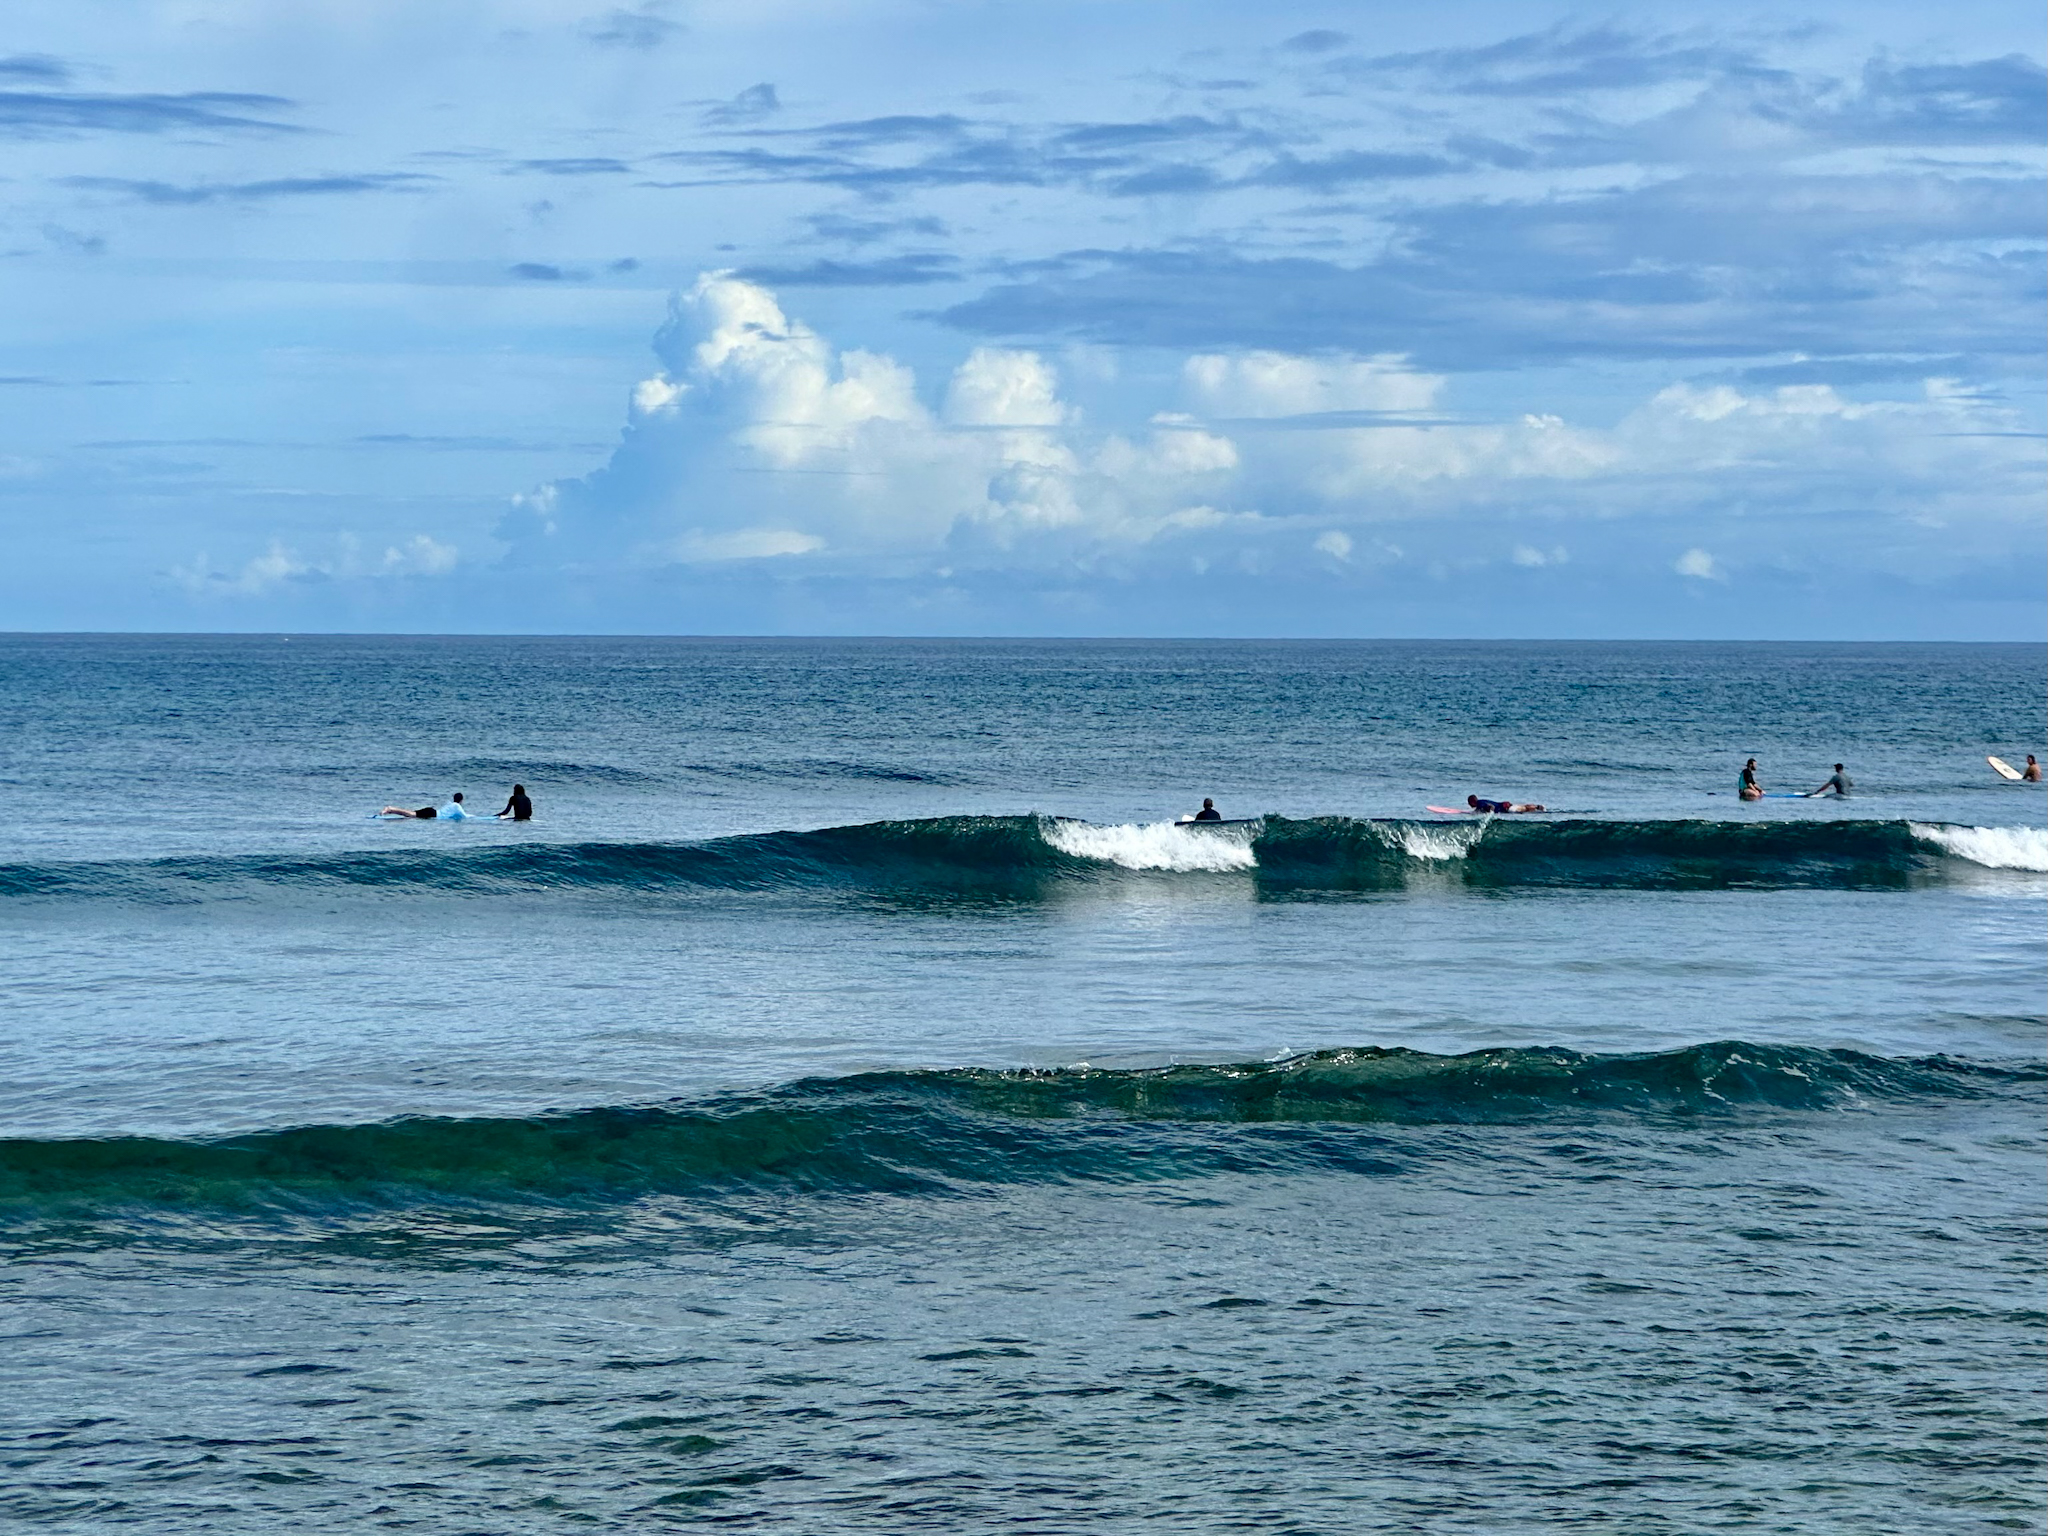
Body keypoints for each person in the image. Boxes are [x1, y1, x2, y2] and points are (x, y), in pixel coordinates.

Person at [1466, 795, 1545, 814]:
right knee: (1522, 807)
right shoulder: (1481, 801)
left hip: (1506, 808)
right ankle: (1537, 806)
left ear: (1472, 802)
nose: (1469, 805)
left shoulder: (1479, 804)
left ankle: (1538, 807)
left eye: (1469, 803)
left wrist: (1490, 814)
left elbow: (1491, 807)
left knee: (1523, 809)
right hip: (1505, 804)